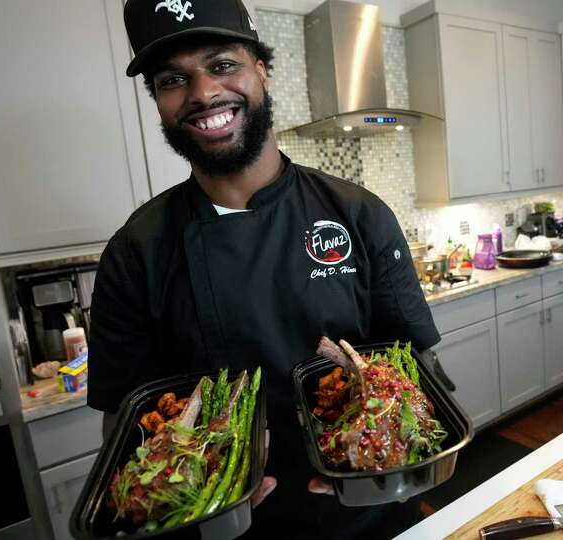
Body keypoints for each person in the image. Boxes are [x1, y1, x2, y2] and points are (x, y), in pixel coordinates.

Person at [87, 0, 441, 537]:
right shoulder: (136, 252)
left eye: (222, 64)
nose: (203, 92)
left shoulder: (358, 213)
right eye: (173, 79)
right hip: (218, 518)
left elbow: (415, 366)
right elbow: (126, 422)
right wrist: (176, 499)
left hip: (368, 510)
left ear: (261, 71)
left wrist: (409, 459)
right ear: (159, 102)